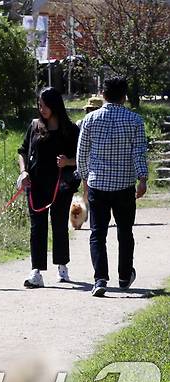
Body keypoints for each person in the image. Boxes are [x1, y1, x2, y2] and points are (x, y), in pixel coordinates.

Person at [77, 76, 148, 297]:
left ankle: (100, 279)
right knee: (125, 233)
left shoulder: (90, 119)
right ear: (125, 96)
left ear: (103, 94)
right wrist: (142, 178)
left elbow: (82, 154)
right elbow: (139, 153)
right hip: (124, 186)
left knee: (98, 233)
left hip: (98, 184)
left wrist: (85, 179)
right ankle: (125, 275)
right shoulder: (135, 121)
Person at [17, 87, 80, 288]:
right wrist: (23, 172)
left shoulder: (70, 130)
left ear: (54, 105)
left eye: (44, 105)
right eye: (39, 105)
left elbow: (82, 158)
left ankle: (62, 265)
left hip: (61, 185)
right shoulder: (34, 126)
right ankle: (36, 271)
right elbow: (22, 151)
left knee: (60, 224)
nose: (40, 108)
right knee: (37, 227)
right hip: (35, 184)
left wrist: (68, 162)